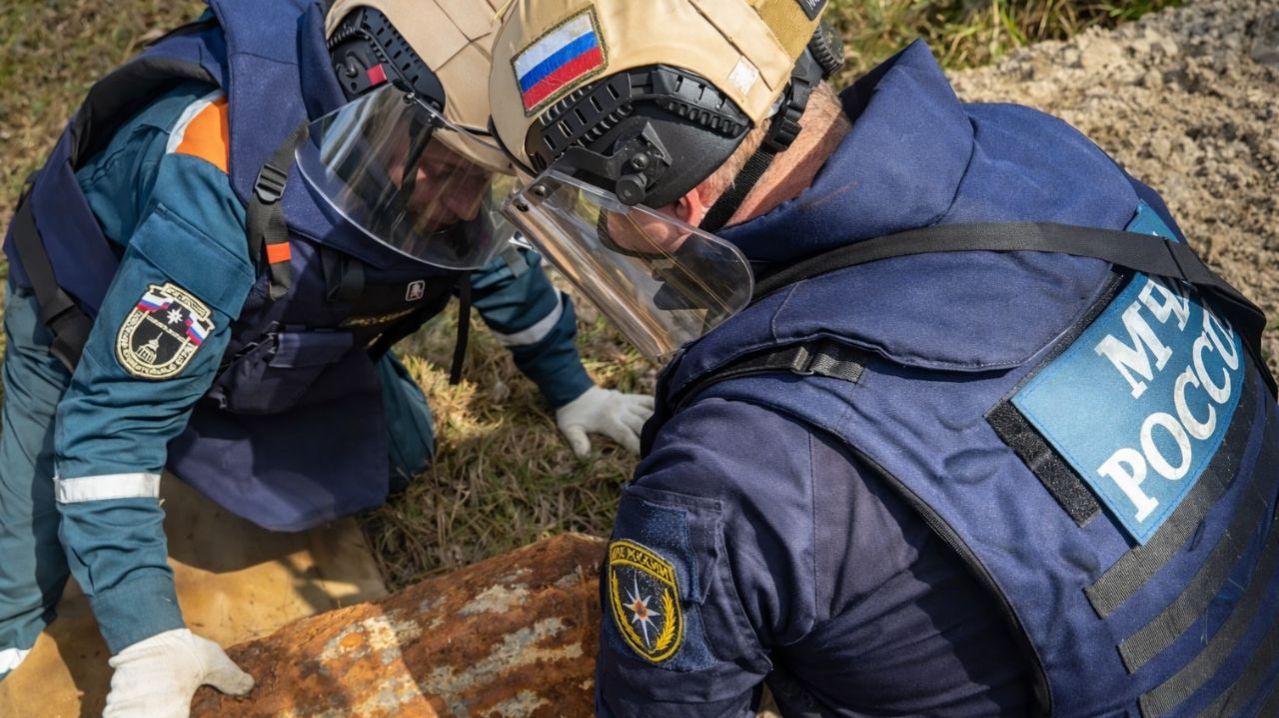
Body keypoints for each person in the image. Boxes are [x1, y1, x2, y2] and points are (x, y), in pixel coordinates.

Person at [486, 0, 1279, 715]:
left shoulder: (732, 466)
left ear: (666, 194)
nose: (605, 231)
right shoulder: (1041, 150)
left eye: (595, 203)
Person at [0, 0, 653, 714]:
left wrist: (572, 387)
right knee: (15, 595)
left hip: (252, 332)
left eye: (482, 178)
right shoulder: (217, 180)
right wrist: (148, 643)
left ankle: (211, 403)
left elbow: (488, 262)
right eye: (445, 169)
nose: (466, 204)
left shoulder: (427, 147)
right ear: (362, 103)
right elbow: (110, 428)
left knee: (401, 451)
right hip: (82, 322)